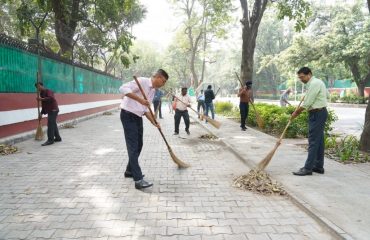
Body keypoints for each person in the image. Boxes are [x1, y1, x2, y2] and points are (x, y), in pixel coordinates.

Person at [119, 69, 169, 189]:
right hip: (128, 114)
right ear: (157, 77)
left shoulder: (153, 91)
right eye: (163, 81)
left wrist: (154, 122)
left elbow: (146, 109)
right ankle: (138, 179)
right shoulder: (142, 81)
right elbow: (122, 89)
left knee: (139, 145)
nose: (163, 84)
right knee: (133, 147)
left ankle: (129, 171)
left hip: (137, 117)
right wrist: (140, 99)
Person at [291, 67, 328, 176]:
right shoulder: (315, 83)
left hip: (318, 113)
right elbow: (326, 95)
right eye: (299, 78)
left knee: (313, 141)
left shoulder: (315, 83)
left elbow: (308, 103)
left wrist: (296, 112)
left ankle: (308, 168)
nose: (301, 79)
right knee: (319, 141)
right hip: (318, 112)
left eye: (302, 77)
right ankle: (318, 166)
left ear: (309, 74)